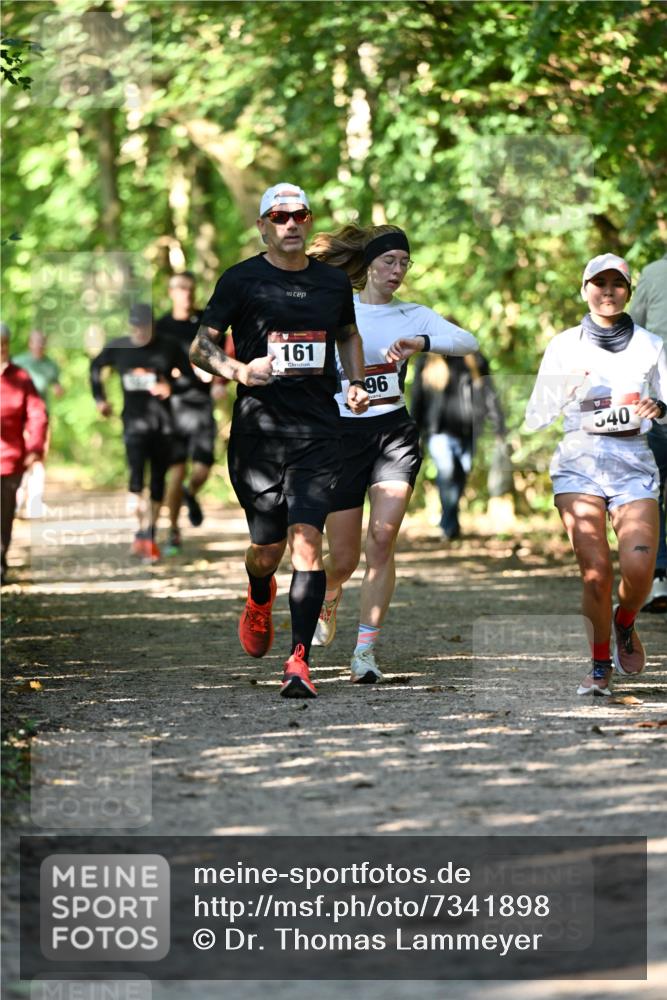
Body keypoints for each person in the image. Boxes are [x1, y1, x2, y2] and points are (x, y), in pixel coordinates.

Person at [189, 182, 369, 699]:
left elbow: (348, 335)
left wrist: (354, 383)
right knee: (267, 550)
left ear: (308, 222)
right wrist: (240, 370)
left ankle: (299, 660)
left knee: (308, 543)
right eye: (280, 216)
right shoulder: (241, 279)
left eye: (300, 216)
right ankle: (258, 592)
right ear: (263, 226)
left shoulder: (332, 283)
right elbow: (200, 347)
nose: (291, 224)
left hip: (317, 431)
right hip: (258, 435)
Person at [307, 224, 478, 682]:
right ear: (367, 266)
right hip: (342, 436)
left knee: (382, 540)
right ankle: (329, 594)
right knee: (341, 559)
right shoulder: (338, 310)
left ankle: (364, 652)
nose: (397, 270)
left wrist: (422, 342)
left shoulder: (413, 314)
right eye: (389, 261)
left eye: (404, 262)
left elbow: (468, 342)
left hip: (393, 435)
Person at [525, 253, 667, 697]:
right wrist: (563, 389)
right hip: (579, 465)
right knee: (596, 572)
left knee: (641, 569)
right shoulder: (564, 345)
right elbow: (535, 417)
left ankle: (625, 621)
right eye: (598, 283)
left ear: (628, 291)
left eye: (617, 284)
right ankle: (600, 663)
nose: (608, 291)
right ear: (584, 288)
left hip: (633, 464)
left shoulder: (651, 344)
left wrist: (658, 408)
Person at [90, 303, 185, 563]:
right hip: (133, 424)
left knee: (157, 481)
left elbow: (188, 374)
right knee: (135, 480)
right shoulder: (119, 347)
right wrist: (100, 399)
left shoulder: (168, 345)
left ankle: (149, 536)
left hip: (163, 426)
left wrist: (170, 385)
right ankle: (140, 531)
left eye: (146, 328)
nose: (141, 333)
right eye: (136, 328)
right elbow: (96, 367)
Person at [156, 271, 226, 555]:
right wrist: (161, 379)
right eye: (180, 288)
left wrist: (219, 381)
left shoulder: (206, 322)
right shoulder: (161, 326)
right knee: (176, 471)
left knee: (201, 469)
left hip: (201, 404)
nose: (186, 293)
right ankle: (173, 530)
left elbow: (226, 349)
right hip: (171, 407)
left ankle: (189, 493)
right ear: (171, 292)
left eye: (190, 288)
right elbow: (148, 361)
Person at [411, 349, 507, 540]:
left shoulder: (475, 360)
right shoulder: (427, 362)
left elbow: (489, 393)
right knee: (446, 475)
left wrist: (499, 426)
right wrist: (414, 434)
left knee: (461, 475)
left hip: (468, 432)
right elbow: (417, 399)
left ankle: (450, 519)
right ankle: (449, 526)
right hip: (438, 433)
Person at [629, 253, 667, 612]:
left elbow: (634, 330)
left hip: (656, 405)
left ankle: (659, 577)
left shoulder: (654, 273)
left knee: (651, 493)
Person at [0, 323, 48, 584]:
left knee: (4, 513)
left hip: (9, 461)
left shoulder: (20, 378)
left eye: (3, 344)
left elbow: (37, 414)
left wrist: (35, 448)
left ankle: (0, 559)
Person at [13, 329, 64, 518]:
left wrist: (59, 388)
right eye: (37, 342)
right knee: (19, 459)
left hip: (41, 418)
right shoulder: (19, 362)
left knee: (38, 458)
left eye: (43, 342)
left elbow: (57, 384)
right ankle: (16, 502)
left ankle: (35, 503)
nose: (40, 345)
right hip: (19, 418)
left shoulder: (50, 365)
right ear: (30, 343)